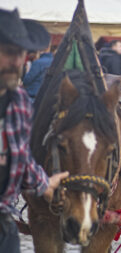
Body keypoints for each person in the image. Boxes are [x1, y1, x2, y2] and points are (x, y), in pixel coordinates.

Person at [0, 8, 69, 252]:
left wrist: (44, 184)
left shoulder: (18, 101)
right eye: (9, 53)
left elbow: (21, 157)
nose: (17, 62)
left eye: (21, 54)